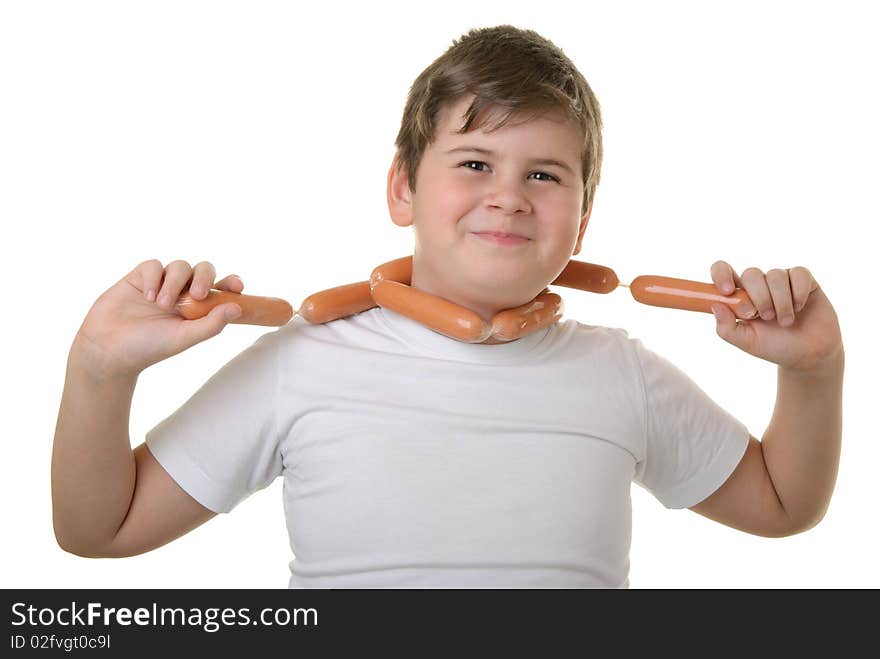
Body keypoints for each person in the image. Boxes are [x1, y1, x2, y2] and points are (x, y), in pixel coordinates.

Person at [51, 25, 845, 588]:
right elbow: (99, 530)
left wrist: (814, 370)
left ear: (584, 216)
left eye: (545, 175)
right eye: (474, 161)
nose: (508, 197)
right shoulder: (302, 360)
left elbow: (781, 505)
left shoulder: (623, 373)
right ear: (403, 187)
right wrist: (98, 368)